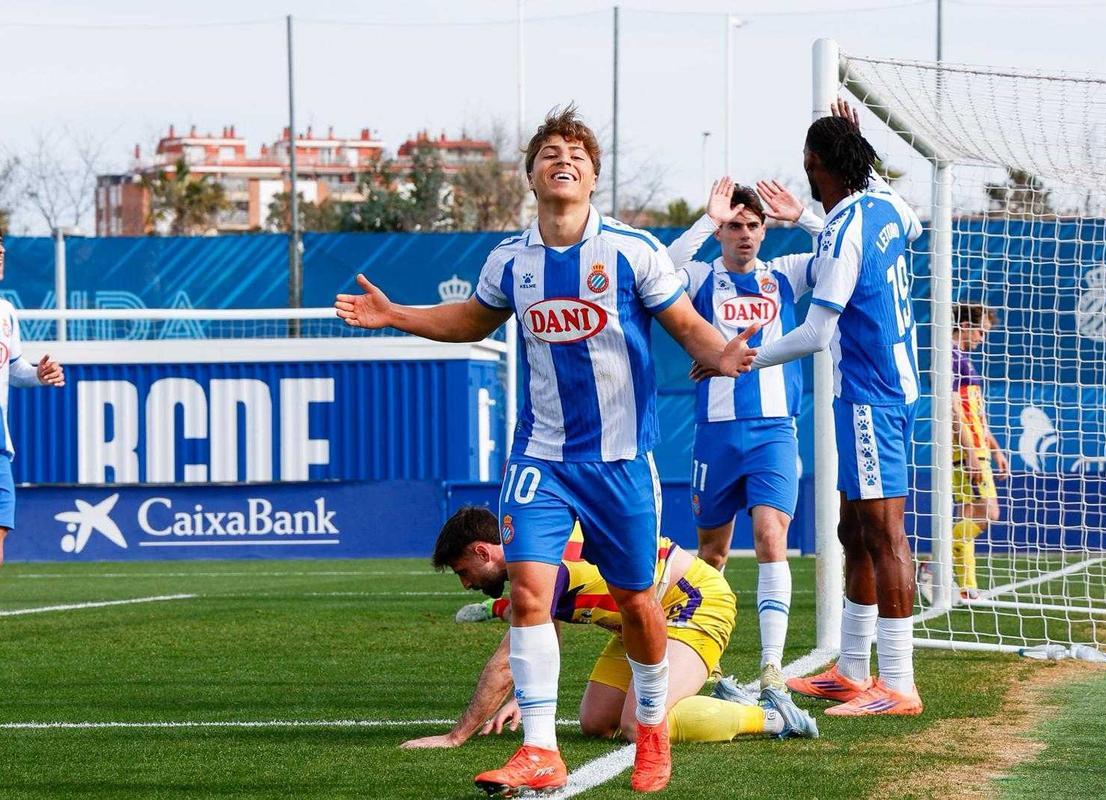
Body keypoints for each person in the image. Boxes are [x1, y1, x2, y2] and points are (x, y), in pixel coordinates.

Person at [335, 105, 756, 795]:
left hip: (620, 462)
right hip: (541, 459)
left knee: (636, 603)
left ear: (592, 177)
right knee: (530, 592)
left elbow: (686, 326)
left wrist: (723, 351)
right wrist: (396, 315)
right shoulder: (511, 259)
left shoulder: (631, 251)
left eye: (577, 153)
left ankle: (653, 725)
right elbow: (472, 318)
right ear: (531, 173)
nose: (563, 159)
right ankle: (539, 750)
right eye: (550, 151)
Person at [700, 100, 925, 716]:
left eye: (808, 165)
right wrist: (826, 198)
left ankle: (898, 683)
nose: (804, 177)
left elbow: (817, 334)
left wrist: (745, 357)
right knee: (852, 530)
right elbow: (910, 228)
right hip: (883, 391)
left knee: (883, 534)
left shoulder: (845, 228)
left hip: (871, 398)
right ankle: (852, 669)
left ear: (818, 165)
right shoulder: (884, 209)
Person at [401, 507, 818, 751]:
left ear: (482, 550)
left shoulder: (544, 558)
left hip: (692, 602)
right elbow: (542, 632)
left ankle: (770, 717)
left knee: (639, 725)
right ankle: (722, 695)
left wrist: (457, 736)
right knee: (597, 724)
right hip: (634, 624)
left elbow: (509, 659)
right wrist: (519, 698)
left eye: (463, 571)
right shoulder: (533, 550)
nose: (466, 583)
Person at [662, 178, 823, 691]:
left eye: (754, 225)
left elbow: (844, 257)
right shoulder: (703, 276)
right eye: (734, 226)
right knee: (711, 554)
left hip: (775, 431)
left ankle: (772, 665)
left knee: (772, 537)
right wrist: (704, 221)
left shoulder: (786, 275)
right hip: (716, 436)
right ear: (723, 232)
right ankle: (701, 656)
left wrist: (803, 218)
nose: (746, 234)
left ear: (764, 230)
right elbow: (659, 272)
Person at [0, 233, 67, 565]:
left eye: (0, 247)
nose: (0, 253)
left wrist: (38, 375)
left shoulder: (6, 312)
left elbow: (13, 369)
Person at [950, 304, 1007, 600]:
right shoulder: (948, 355)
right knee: (989, 511)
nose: (982, 338)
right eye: (981, 332)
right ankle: (936, 559)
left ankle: (966, 586)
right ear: (964, 325)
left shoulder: (963, 358)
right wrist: (971, 451)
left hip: (977, 447)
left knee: (970, 513)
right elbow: (953, 407)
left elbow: (976, 412)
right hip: (964, 449)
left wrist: (995, 449)